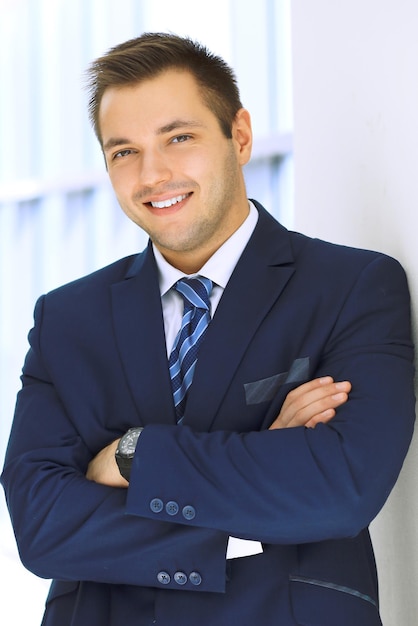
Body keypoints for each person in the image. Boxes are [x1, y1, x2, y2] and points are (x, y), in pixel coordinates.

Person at [1, 32, 415, 626]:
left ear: (239, 136)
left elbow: (340, 487)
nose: (153, 175)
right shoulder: (67, 319)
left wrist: (131, 455)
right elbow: (42, 526)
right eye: (124, 152)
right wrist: (255, 494)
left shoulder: (350, 287)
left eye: (179, 138)